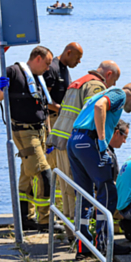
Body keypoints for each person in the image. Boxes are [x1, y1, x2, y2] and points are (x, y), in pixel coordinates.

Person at [0, 46, 64, 233]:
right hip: (24, 132)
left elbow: (44, 107)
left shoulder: (38, 79)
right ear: (38, 58)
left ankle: (25, 217)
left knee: (27, 174)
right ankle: (45, 220)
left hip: (40, 131)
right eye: (47, 63)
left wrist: (49, 135)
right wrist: (2, 88)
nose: (48, 68)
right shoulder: (13, 72)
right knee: (43, 173)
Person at [68, 83, 131, 259]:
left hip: (75, 140)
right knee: (107, 191)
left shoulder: (99, 94)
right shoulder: (120, 95)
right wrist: (102, 143)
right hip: (90, 141)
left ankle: (83, 246)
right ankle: (104, 245)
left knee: (84, 195)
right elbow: (101, 106)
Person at [46, 61, 120, 221]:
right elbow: (96, 114)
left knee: (66, 190)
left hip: (61, 138)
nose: (113, 85)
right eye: (113, 81)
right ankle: (80, 236)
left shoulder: (77, 82)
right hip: (77, 142)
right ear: (108, 75)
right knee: (77, 192)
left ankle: (70, 232)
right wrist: (101, 142)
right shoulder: (97, 87)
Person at [43, 43, 83, 215]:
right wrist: (62, 110)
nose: (79, 62)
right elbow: (44, 99)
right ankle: (50, 212)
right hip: (52, 122)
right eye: (77, 57)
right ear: (68, 52)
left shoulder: (64, 69)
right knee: (53, 166)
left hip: (60, 121)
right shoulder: (52, 69)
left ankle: (60, 209)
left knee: (60, 168)